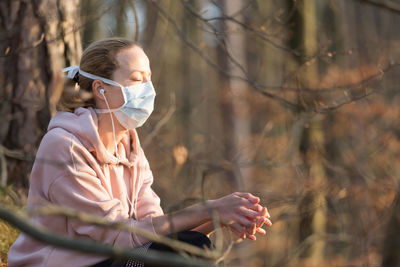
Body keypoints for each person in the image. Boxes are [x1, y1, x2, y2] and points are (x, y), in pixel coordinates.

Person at [7, 37, 272, 267]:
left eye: (148, 79)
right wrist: (212, 208)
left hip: (109, 258)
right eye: (136, 79)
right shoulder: (65, 146)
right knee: (185, 249)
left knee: (192, 244)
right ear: (101, 89)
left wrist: (221, 218)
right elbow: (118, 234)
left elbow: (154, 230)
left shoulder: (130, 148)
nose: (148, 90)